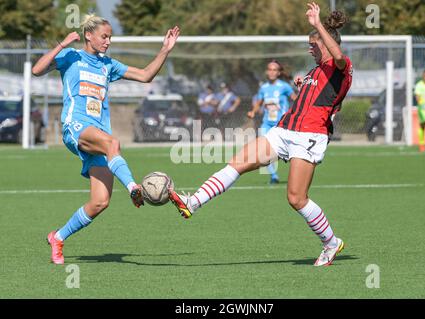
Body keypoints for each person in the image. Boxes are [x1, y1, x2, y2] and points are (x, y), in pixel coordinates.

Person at [168, 2, 352, 267]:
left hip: (309, 137)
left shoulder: (341, 66)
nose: (310, 48)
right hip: (284, 130)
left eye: (314, 44)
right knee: (237, 162)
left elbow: (336, 61)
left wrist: (317, 25)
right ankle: (192, 202)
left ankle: (331, 242)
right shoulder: (315, 71)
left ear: (325, 42)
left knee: (296, 198)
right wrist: (302, 84)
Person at [31, 14, 180, 264]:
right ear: (88, 35)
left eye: (110, 37)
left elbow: (145, 75)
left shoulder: (107, 65)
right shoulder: (71, 57)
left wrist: (165, 50)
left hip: (97, 135)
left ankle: (57, 237)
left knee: (100, 202)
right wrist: (61, 44)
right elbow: (37, 70)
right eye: (104, 36)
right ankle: (134, 187)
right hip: (74, 126)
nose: (108, 41)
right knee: (113, 143)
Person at [247, 60, 297, 184]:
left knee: (290, 151)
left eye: (275, 70)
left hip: (282, 124)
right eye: (270, 69)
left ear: (279, 72)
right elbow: (259, 101)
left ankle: (297, 174)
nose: (272, 72)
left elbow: (295, 99)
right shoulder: (263, 87)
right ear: (266, 71)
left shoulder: (284, 86)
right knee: (263, 150)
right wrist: (253, 111)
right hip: (267, 123)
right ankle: (274, 176)